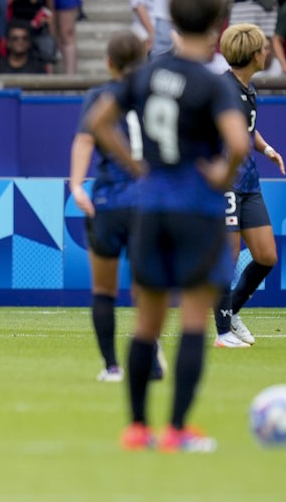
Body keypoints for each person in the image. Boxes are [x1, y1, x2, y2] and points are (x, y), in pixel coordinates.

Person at [89, 0, 249, 452]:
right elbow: (238, 143)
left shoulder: (147, 74)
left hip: (150, 206)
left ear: (172, 22)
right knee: (194, 319)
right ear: (217, 26)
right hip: (196, 209)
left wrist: (137, 166)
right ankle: (178, 429)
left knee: (147, 322)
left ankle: (138, 428)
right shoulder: (212, 83)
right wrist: (221, 174)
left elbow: (99, 121)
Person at [69, 30, 166, 383]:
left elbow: (85, 139)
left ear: (109, 62)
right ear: (144, 60)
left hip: (108, 200)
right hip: (148, 201)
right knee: (145, 288)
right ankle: (150, 359)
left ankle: (111, 367)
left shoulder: (100, 96)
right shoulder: (156, 95)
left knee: (104, 290)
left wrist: (77, 185)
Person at [212, 23, 286, 349]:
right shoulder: (222, 90)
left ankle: (231, 312)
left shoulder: (247, 88)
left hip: (249, 182)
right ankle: (222, 333)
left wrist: (267, 149)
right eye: (264, 48)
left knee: (267, 255)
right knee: (228, 257)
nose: (267, 52)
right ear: (254, 54)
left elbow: (245, 130)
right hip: (226, 182)